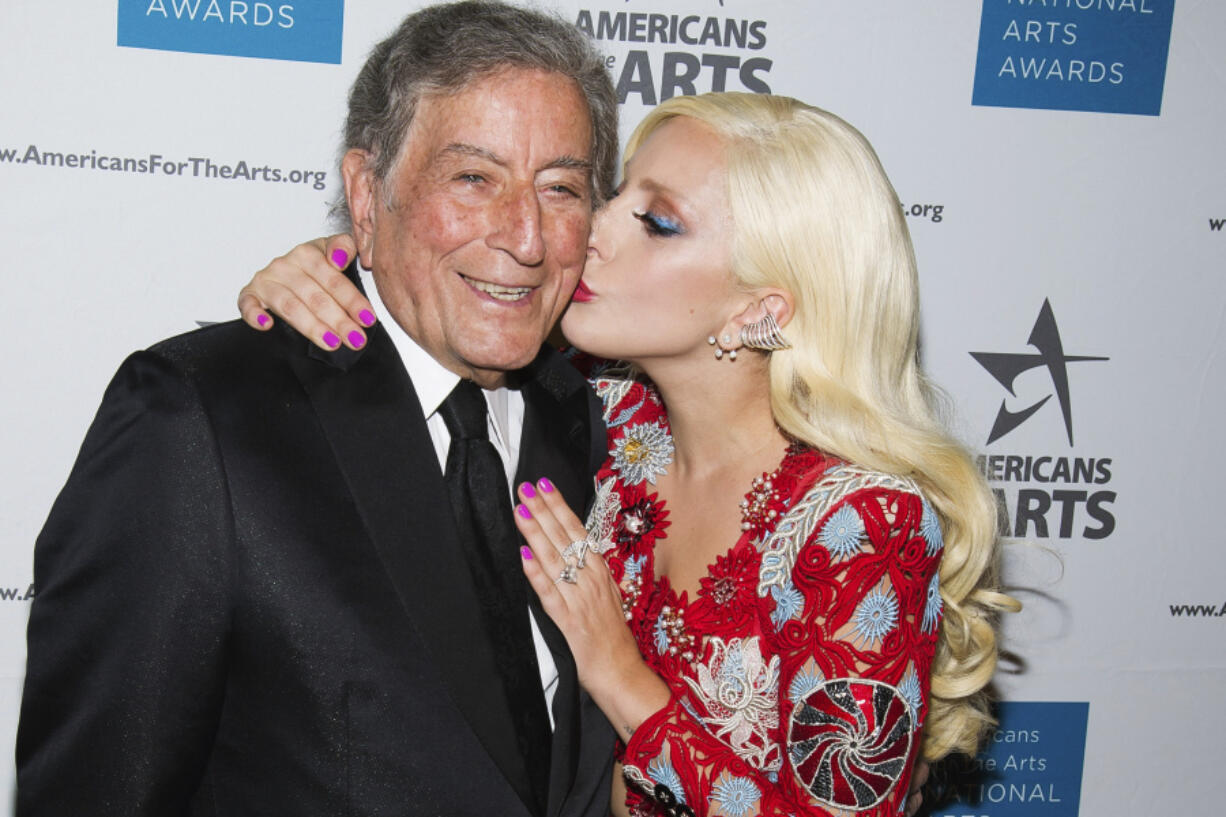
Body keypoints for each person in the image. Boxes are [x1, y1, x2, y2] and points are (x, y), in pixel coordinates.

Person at [237, 92, 1018, 816]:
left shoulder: (863, 523)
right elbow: (451, 309)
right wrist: (334, 267)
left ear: (759, 308)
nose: (588, 232)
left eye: (657, 221)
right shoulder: (601, 415)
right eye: (614, 196)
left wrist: (620, 677)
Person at [17, 3, 622, 815]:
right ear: (367, 197)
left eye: (561, 188)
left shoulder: (589, 423)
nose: (526, 236)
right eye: (473, 178)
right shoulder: (203, 420)